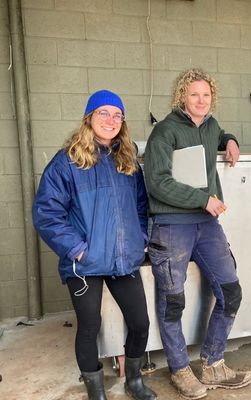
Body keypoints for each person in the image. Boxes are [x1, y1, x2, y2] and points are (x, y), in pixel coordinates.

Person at [32, 90, 156, 400]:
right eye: (103, 113)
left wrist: (140, 239)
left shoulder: (127, 160)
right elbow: (47, 213)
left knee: (140, 323)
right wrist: (77, 249)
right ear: (89, 117)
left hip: (122, 258)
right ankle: (96, 392)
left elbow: (142, 206)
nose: (110, 120)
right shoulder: (67, 161)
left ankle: (134, 381)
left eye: (117, 115)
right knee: (90, 326)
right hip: (84, 262)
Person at [144, 68, 251, 399]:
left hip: (206, 225)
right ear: (182, 96)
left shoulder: (210, 125)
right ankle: (179, 369)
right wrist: (203, 199)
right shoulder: (164, 132)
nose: (201, 100)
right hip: (172, 225)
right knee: (173, 301)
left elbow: (217, 135)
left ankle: (213, 363)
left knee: (231, 291)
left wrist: (230, 140)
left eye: (206, 94)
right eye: (194, 94)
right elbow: (157, 182)